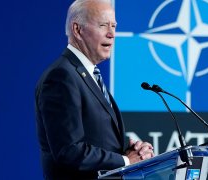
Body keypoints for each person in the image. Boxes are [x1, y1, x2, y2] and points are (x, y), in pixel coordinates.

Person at [35, 0, 154, 179]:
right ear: (77, 29)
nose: (111, 34)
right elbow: (69, 151)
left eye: (113, 26)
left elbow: (99, 140)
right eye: (103, 25)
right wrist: (126, 161)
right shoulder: (61, 77)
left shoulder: (88, 74)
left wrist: (131, 151)